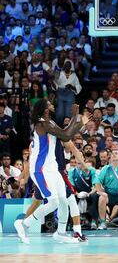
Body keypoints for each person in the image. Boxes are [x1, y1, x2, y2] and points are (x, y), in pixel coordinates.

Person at [14, 100, 90, 244]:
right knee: (54, 201)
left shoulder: (50, 122)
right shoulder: (42, 124)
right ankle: (23, 224)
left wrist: (79, 121)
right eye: (49, 104)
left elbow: (65, 134)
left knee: (63, 199)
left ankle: (60, 233)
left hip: (52, 168)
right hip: (40, 169)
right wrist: (76, 118)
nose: (53, 104)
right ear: (45, 109)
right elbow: (67, 135)